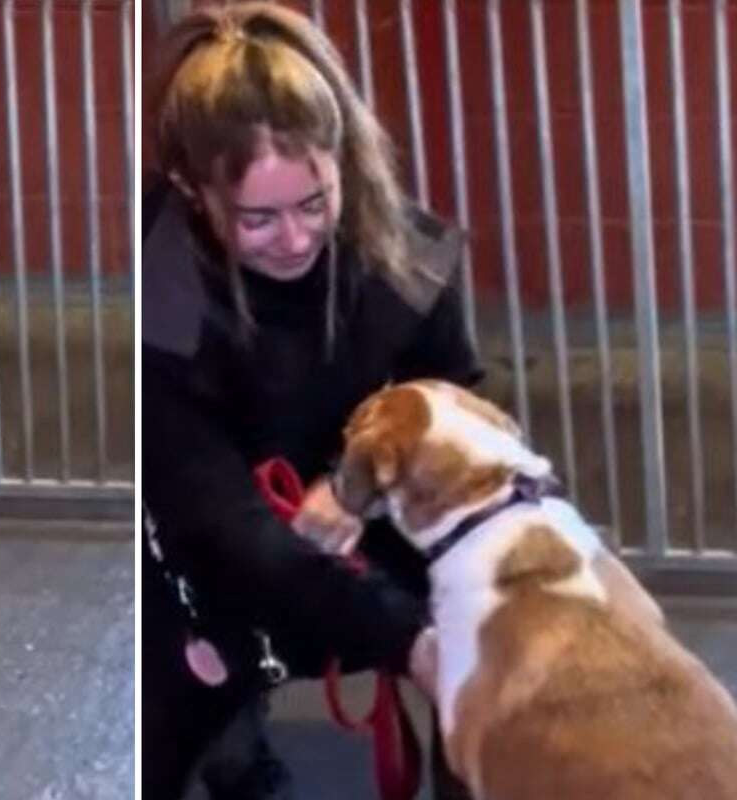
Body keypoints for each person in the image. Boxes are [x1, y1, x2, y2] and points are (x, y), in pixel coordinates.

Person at [142, 4, 479, 798]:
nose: (293, 239)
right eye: (256, 217)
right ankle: (233, 747)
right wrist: (411, 643)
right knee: (167, 716)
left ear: (342, 161)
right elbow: (223, 529)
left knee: (489, 631)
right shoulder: (158, 303)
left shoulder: (408, 255)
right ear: (193, 188)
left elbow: (456, 408)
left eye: (313, 203)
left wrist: (360, 477)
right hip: (208, 552)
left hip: (371, 506)